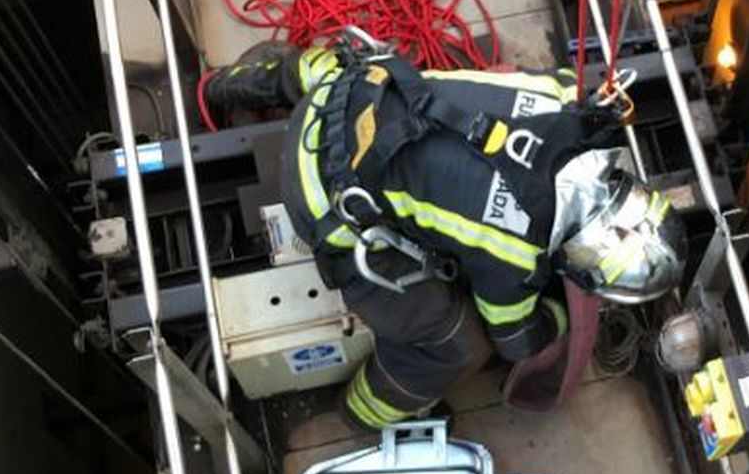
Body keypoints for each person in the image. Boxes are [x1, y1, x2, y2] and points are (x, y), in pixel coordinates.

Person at [202, 35, 686, 429]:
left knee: (326, 72)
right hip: (318, 198)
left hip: (345, 88)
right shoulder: (514, 254)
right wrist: (560, 315)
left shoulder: (567, 99)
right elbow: (515, 337)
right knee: (454, 343)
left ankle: (229, 85)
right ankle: (369, 414)